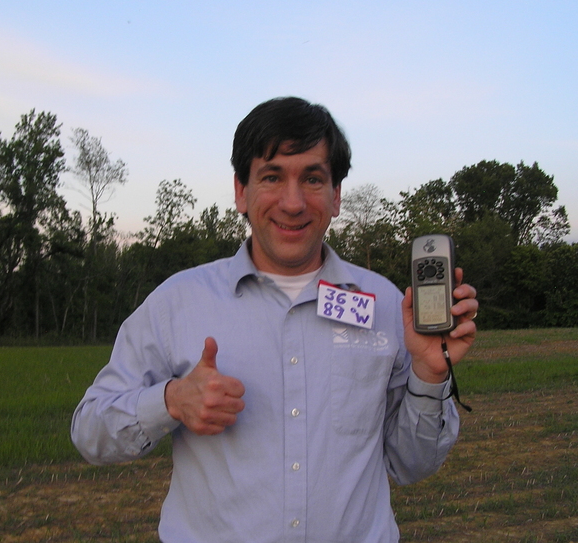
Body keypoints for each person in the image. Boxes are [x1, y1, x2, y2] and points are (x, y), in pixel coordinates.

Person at [71, 96, 479, 542]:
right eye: (271, 177)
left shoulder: (385, 304)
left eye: (312, 179)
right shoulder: (178, 303)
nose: (292, 202)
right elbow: (90, 430)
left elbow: (411, 463)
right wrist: (170, 401)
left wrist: (429, 374)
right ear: (241, 191)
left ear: (336, 195)